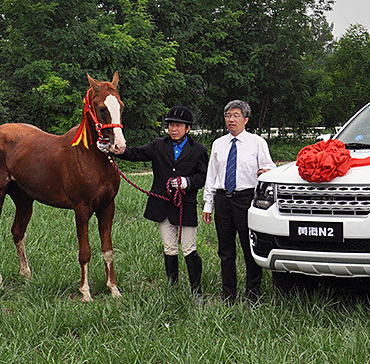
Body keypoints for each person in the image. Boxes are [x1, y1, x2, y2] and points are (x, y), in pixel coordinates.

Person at [115, 105, 208, 294]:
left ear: (188, 128)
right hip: (162, 204)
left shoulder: (198, 150)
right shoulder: (158, 145)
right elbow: (137, 154)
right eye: (171, 125)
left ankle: (196, 290)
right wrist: (117, 150)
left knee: (189, 247)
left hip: (185, 205)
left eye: (178, 126)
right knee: (169, 247)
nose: (173, 129)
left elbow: (203, 177)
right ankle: (172, 287)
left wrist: (186, 182)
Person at [202, 100, 275, 305]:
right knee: (225, 251)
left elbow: (268, 167)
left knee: (249, 248)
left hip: (246, 199)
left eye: (235, 115)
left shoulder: (257, 142)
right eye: (228, 115)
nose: (231, 119)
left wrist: (266, 172)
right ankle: (228, 295)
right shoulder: (218, 143)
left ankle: (253, 294)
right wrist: (208, 204)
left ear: (246, 119)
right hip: (223, 199)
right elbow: (211, 176)